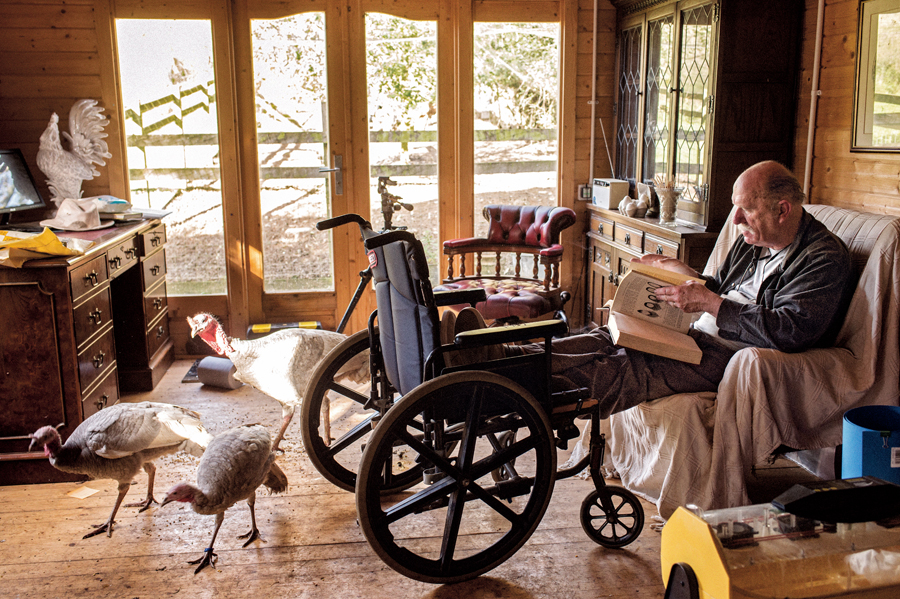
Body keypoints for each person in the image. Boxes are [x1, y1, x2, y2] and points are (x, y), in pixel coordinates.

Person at [515, 160, 855, 417]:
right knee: (608, 338)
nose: (735, 220)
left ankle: (505, 390)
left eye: (746, 210)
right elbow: (722, 289)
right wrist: (685, 274)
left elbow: (790, 331)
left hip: (734, 353)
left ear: (782, 210)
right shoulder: (754, 239)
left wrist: (710, 303)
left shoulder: (823, 258)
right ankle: (505, 359)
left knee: (625, 367)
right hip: (700, 333)